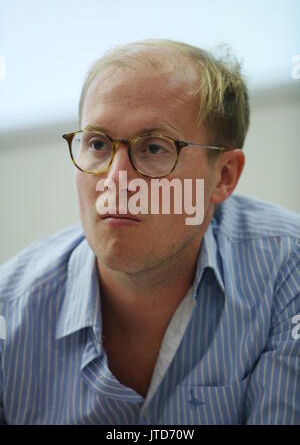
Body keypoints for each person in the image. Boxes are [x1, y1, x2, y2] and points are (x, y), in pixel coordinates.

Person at [0, 39, 299, 425]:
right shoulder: (10, 312)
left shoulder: (286, 272)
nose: (116, 181)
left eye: (155, 148)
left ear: (223, 176)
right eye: (97, 144)